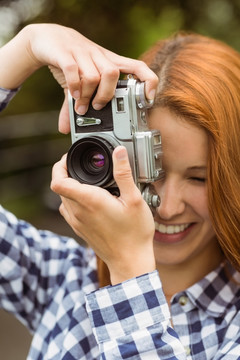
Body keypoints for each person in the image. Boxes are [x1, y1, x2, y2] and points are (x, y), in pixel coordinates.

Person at [0, 23, 239, 359]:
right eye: (148, 170)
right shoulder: (68, 277)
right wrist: (23, 50)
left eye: (199, 179)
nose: (167, 207)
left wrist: (129, 271)